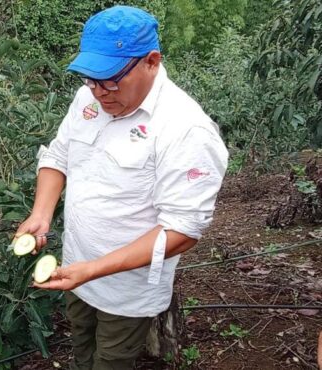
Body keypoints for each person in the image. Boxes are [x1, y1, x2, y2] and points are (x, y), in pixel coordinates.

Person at [15, 5, 228, 369]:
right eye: (89, 78)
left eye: (111, 79)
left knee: (111, 362)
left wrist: (93, 268)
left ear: (151, 61)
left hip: (126, 290)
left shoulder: (186, 130)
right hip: (75, 271)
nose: (98, 92)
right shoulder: (90, 98)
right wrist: (41, 213)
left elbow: (183, 230)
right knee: (82, 354)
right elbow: (59, 155)